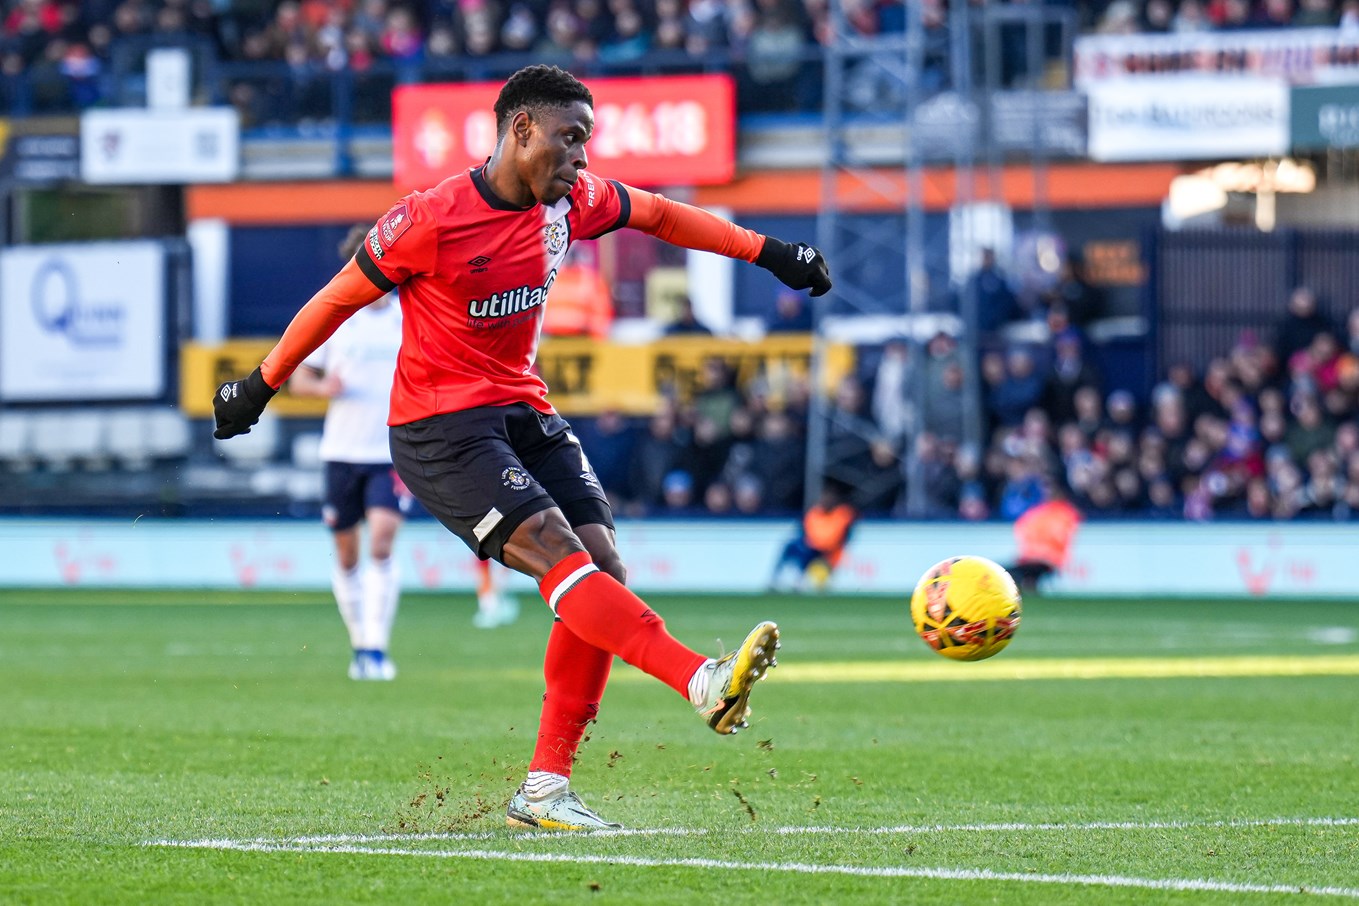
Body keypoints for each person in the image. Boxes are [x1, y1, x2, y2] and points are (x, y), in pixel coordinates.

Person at [212, 65, 831, 832]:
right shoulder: (429, 218)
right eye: (570, 139)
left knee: (601, 568)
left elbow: (664, 218)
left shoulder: (573, 202)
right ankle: (699, 680)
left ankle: (543, 790)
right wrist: (260, 385)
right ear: (521, 130)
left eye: (587, 142)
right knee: (554, 550)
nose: (580, 159)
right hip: (439, 428)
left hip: (521, 410)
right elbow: (339, 295)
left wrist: (768, 251)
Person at [287, 225, 410, 680]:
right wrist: (323, 386)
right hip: (341, 451)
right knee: (347, 555)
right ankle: (360, 643)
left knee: (381, 539)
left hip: (392, 450)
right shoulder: (339, 317)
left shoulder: (408, 315)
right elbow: (300, 377)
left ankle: (377, 646)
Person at [768, 482, 858, 593]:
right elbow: (803, 531)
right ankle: (776, 579)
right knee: (792, 546)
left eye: (829, 498)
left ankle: (799, 581)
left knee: (806, 552)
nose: (826, 500)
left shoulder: (843, 514)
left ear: (835, 500)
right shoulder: (814, 513)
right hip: (812, 547)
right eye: (824, 497)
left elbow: (844, 537)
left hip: (829, 551)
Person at [1006, 480, 1082, 595]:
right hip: (1033, 559)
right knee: (1011, 572)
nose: (1047, 493)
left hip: (1047, 560)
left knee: (1015, 573)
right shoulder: (1040, 511)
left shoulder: (1065, 513)